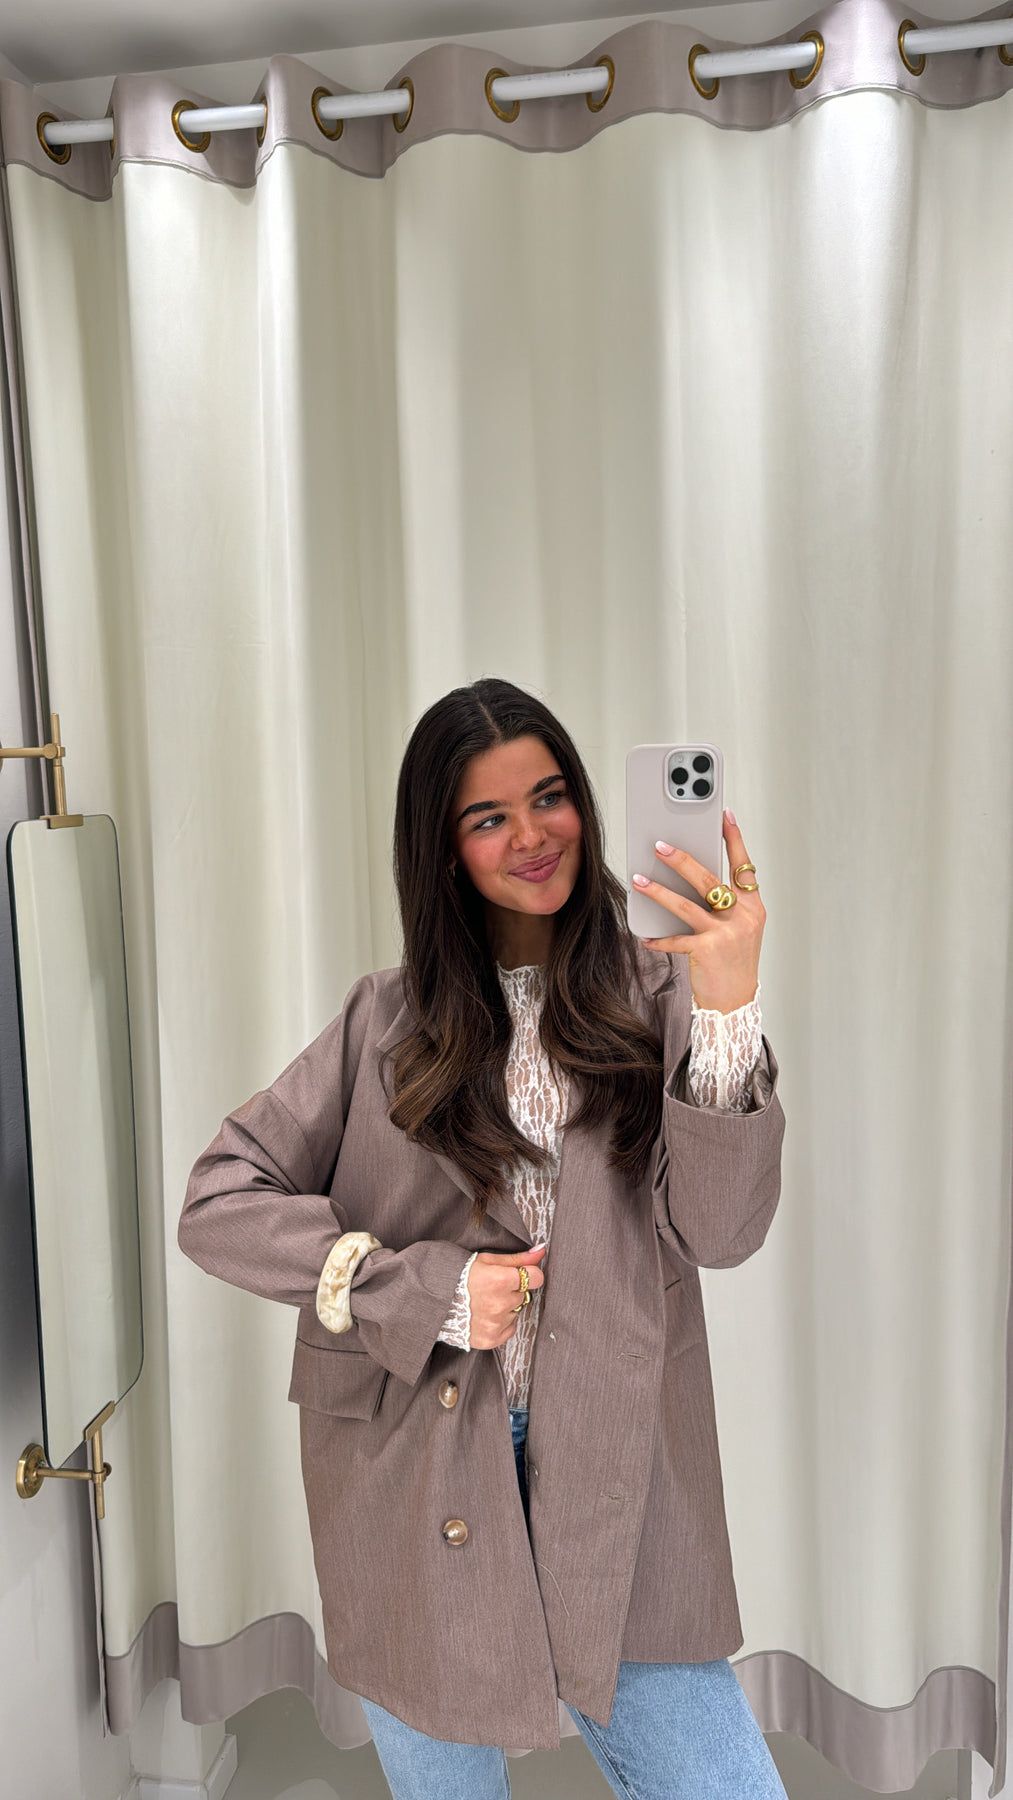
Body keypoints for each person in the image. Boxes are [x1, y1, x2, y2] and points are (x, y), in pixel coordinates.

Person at [179, 677, 787, 1800]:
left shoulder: (662, 992)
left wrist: (728, 999)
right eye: (488, 816)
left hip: (621, 1468)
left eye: (548, 797)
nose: (532, 836)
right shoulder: (382, 1020)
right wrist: (419, 1291)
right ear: (442, 847)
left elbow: (721, 1230)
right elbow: (218, 1199)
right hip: (411, 1467)